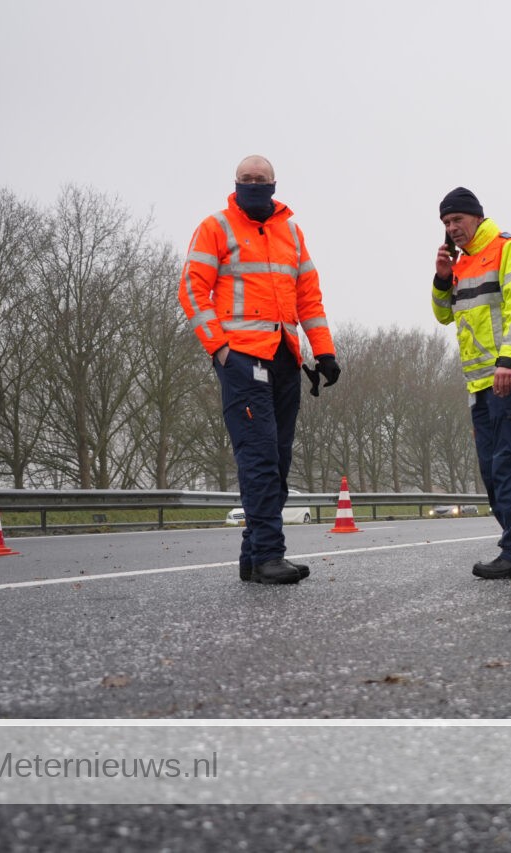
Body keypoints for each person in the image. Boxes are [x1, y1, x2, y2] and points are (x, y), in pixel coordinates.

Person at [179, 154, 341, 585]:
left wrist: (323, 352)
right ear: (235, 183)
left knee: (280, 457)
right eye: (246, 179)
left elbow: (309, 297)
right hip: (243, 358)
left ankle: (253, 559)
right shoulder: (216, 226)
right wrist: (220, 348)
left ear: (273, 184)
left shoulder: (291, 231)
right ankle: (270, 553)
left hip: (286, 356)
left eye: (260, 179)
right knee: (259, 457)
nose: (253, 184)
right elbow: (192, 289)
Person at [432, 187, 511, 579]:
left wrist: (508, 360)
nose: (452, 228)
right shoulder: (461, 264)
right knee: (492, 472)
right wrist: (443, 279)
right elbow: (445, 316)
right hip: (479, 386)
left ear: (476, 216)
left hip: (510, 378)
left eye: (457, 220)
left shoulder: (508, 249)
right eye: (446, 223)